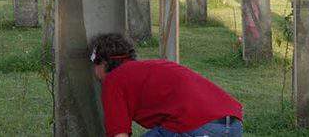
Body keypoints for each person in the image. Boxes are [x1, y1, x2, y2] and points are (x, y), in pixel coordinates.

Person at [90, 33, 243, 137]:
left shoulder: (114, 80)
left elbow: (119, 133)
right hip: (233, 124)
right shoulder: (151, 67)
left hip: (199, 127)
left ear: (102, 63)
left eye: (93, 65)